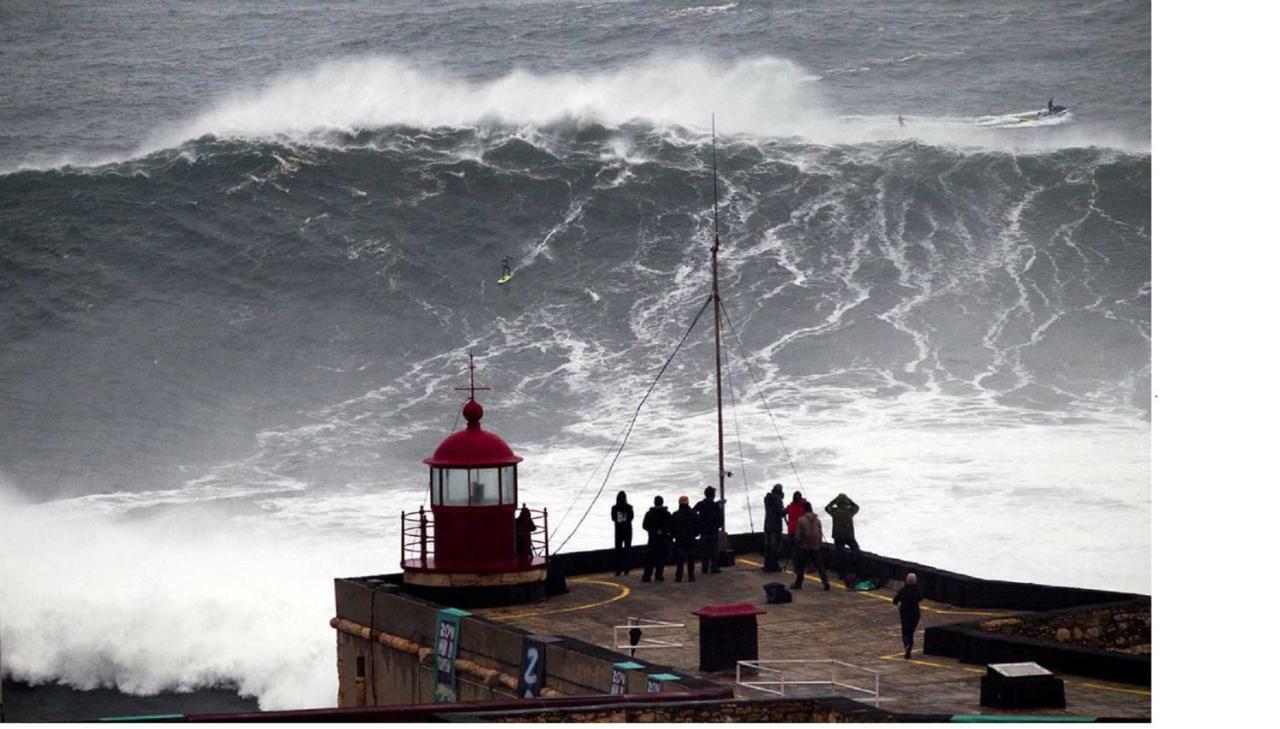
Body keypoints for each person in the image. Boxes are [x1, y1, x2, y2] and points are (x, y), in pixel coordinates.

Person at [791, 501, 829, 590]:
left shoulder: (801, 520)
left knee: (801, 565)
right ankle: (825, 582)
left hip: (804, 545)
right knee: (819, 565)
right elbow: (820, 533)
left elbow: (798, 535)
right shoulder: (817, 520)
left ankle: (798, 583)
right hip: (815, 545)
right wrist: (819, 544)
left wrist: (797, 542)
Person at [824, 493, 861, 585]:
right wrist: (849, 500)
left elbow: (827, 507)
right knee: (856, 550)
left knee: (840, 556)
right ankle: (854, 571)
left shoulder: (834, 512)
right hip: (848, 536)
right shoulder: (850, 511)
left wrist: (834, 501)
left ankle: (841, 574)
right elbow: (856, 506)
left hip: (838, 536)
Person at [641, 495, 671, 582]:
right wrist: (663, 531)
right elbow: (670, 526)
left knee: (650, 559)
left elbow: (644, 525)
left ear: (654, 503)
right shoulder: (666, 514)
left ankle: (647, 576)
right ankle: (659, 576)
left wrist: (652, 531)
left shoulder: (649, 513)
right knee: (661, 558)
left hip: (652, 539)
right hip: (663, 540)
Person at [893, 573, 924, 659]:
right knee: (911, 632)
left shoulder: (903, 590)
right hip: (915, 614)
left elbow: (895, 601)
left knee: (905, 632)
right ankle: (909, 646)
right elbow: (920, 598)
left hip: (905, 614)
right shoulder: (917, 590)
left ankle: (907, 645)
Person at [693, 486, 723, 574]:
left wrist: (698, 521)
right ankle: (714, 568)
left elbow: (693, 512)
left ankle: (704, 568)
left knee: (704, 551)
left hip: (703, 530)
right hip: (713, 530)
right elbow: (720, 519)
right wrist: (719, 526)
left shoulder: (701, 504)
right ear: (713, 495)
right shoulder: (715, 506)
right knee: (714, 550)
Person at [670, 495, 699, 582]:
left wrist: (674, 536)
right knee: (691, 559)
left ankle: (679, 577)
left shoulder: (675, 514)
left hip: (680, 540)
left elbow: (672, 528)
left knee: (680, 560)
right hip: (690, 539)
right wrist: (695, 534)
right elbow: (698, 527)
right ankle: (691, 576)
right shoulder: (694, 514)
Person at [762, 484, 785, 572]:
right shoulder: (778, 500)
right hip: (775, 526)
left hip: (767, 525)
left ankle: (767, 565)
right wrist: (786, 510)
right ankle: (774, 566)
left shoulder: (767, 498)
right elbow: (780, 513)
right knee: (774, 548)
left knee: (767, 547)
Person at [611, 491, 634, 576]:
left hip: (619, 531)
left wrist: (621, 519)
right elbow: (631, 518)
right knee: (627, 550)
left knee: (618, 551)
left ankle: (618, 570)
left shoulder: (614, 508)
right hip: (628, 531)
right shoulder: (629, 507)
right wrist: (625, 519)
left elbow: (613, 518)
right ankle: (626, 569)